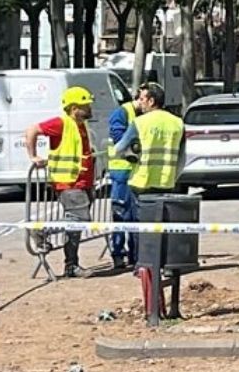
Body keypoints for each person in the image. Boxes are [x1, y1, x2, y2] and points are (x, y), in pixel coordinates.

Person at [109, 81, 187, 266]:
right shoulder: (177, 123)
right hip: (166, 182)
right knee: (162, 225)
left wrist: (133, 152)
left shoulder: (140, 122)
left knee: (140, 226)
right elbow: (183, 157)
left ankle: (142, 264)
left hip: (141, 182)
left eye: (143, 99)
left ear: (152, 101)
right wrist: (175, 176)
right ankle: (163, 263)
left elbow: (119, 148)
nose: (139, 102)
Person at [23, 87, 99, 278]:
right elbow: (32, 130)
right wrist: (33, 156)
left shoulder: (80, 125)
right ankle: (42, 230)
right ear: (74, 108)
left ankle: (71, 266)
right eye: (85, 105)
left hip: (81, 183)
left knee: (76, 227)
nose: (89, 108)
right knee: (80, 221)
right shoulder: (61, 123)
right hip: (69, 183)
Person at [104, 85, 143, 270]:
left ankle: (135, 254)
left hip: (136, 171)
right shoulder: (122, 113)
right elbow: (120, 140)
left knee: (135, 216)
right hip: (122, 171)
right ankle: (118, 253)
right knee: (121, 213)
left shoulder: (144, 115)